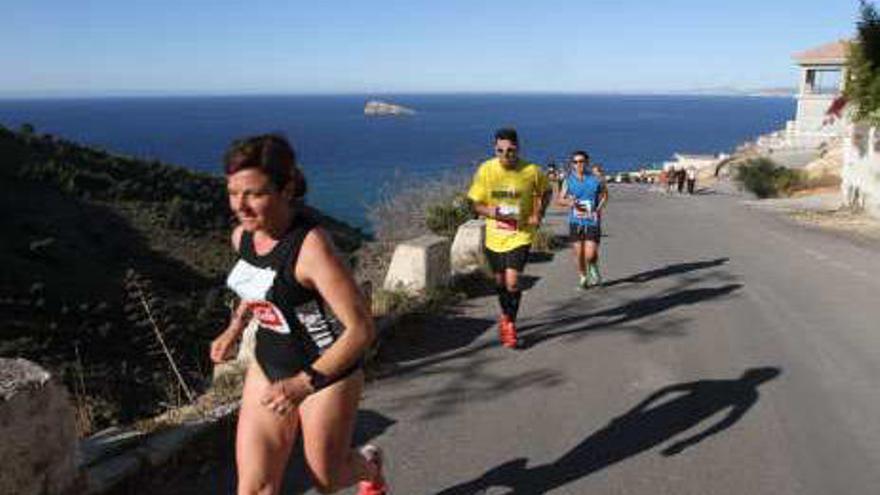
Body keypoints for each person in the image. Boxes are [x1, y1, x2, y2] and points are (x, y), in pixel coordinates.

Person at [210, 134, 387, 495]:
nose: (240, 206)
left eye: (254, 194)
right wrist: (235, 327)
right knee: (254, 488)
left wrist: (302, 383)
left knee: (328, 477)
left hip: (326, 371)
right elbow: (257, 283)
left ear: (286, 188)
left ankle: (370, 469)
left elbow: (360, 329)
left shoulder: (312, 248)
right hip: (270, 363)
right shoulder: (242, 237)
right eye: (233, 193)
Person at [467, 128, 547, 348]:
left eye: (510, 150)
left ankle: (510, 324)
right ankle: (505, 315)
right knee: (500, 282)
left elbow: (546, 191)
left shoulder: (532, 171)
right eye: (500, 150)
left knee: (512, 282)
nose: (505, 155)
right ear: (495, 149)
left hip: (520, 235)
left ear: (518, 149)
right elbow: (474, 203)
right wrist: (494, 213)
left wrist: (538, 213)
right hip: (494, 236)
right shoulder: (486, 169)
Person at [558, 151, 607, 289]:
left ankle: (593, 266)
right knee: (579, 254)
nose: (579, 164)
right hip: (576, 221)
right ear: (572, 164)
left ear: (587, 163)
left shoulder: (595, 179)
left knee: (590, 255)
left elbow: (605, 195)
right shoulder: (568, 181)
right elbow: (560, 199)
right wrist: (569, 202)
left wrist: (598, 209)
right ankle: (583, 277)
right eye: (576, 162)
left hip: (592, 220)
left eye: (581, 161)